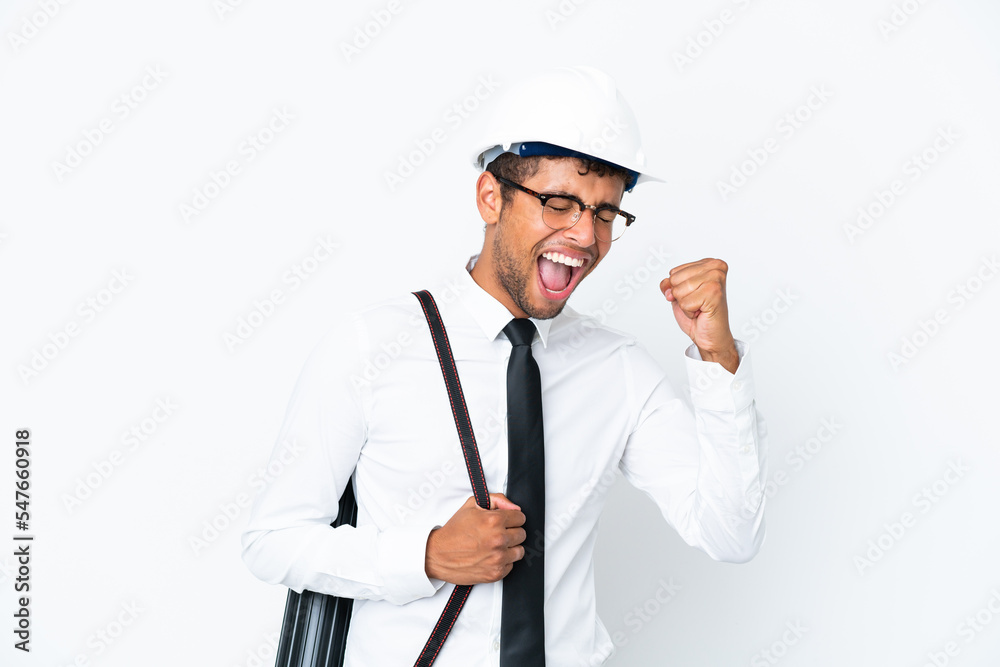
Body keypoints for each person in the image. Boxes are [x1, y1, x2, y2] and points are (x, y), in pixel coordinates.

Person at [241, 65, 767, 666]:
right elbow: (272, 541)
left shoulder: (618, 369)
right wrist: (427, 555)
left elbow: (730, 533)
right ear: (491, 197)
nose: (585, 234)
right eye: (560, 202)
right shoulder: (373, 344)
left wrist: (716, 356)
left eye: (604, 213)